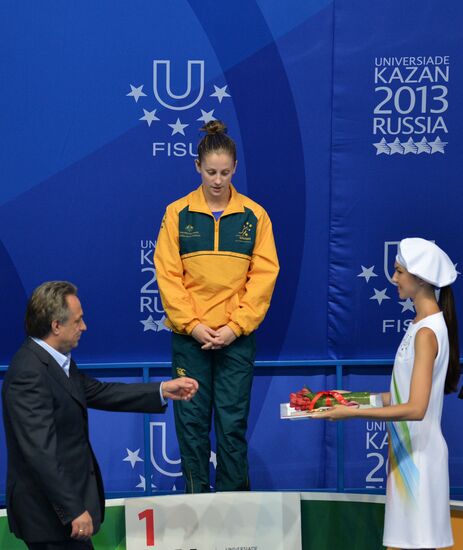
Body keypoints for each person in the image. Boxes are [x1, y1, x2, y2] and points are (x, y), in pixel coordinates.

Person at [2, 281, 198, 550]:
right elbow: (40, 453)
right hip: (48, 516)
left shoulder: (57, 361)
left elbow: (101, 392)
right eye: (78, 320)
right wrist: (72, 510)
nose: (84, 327)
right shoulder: (29, 372)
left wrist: (163, 389)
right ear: (56, 325)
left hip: (58, 513)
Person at [154, 120, 279, 493]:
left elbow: (263, 278)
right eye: (210, 171)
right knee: (191, 427)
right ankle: (195, 507)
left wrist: (234, 327)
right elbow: (168, 275)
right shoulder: (177, 213)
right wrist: (192, 325)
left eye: (225, 172)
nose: (218, 180)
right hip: (190, 340)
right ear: (197, 167)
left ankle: (235, 513)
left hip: (235, 340)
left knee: (232, 425)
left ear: (235, 169)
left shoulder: (256, 216)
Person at [314, 238, 460, 550]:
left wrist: (351, 413)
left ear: (419, 278)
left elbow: (416, 408)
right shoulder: (421, 325)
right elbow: (399, 396)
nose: (393, 278)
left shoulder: (426, 332)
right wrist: (351, 398)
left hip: (419, 462)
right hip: (407, 457)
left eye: (398, 271)